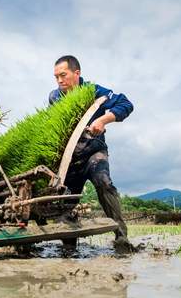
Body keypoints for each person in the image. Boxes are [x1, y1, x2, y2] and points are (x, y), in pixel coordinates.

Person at [49, 55, 135, 252]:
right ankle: (68, 246)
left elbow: (125, 104)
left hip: (93, 152)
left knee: (104, 183)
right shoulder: (54, 97)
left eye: (63, 75)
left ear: (77, 73)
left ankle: (121, 238)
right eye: (56, 77)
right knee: (66, 198)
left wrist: (103, 121)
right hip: (69, 159)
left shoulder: (94, 91)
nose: (60, 81)